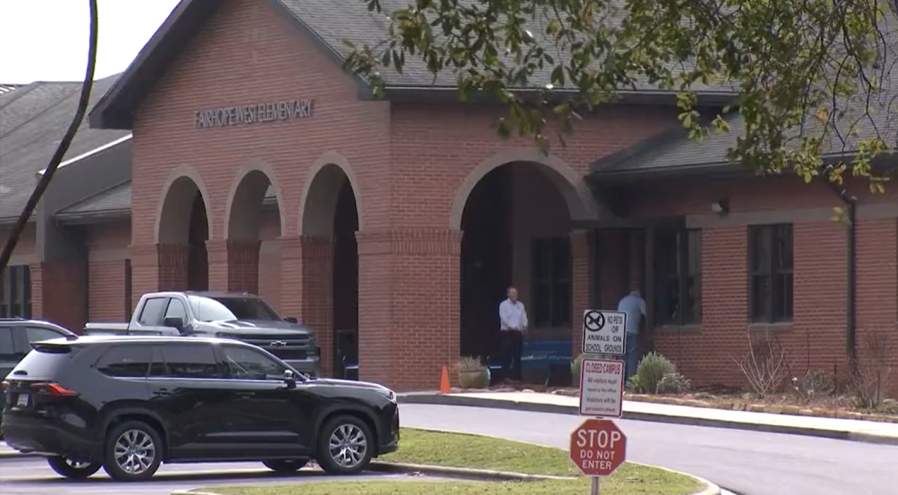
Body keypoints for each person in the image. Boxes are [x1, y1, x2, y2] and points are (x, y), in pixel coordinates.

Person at [498, 286, 528, 381]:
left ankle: (517, 377)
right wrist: (513, 327)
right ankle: (506, 377)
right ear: (508, 294)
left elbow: (524, 317)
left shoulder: (520, 305)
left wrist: (524, 325)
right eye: (512, 293)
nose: (515, 295)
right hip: (507, 333)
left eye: (516, 293)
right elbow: (504, 318)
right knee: (506, 355)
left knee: (517, 356)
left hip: (518, 333)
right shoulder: (503, 305)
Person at [617, 288, 646, 381]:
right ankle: (630, 380)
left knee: (623, 356)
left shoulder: (623, 300)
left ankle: (622, 379)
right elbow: (646, 314)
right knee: (632, 355)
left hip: (620, 331)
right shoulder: (639, 301)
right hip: (632, 330)